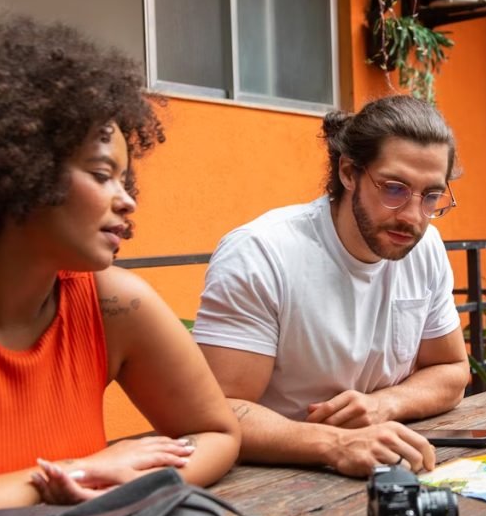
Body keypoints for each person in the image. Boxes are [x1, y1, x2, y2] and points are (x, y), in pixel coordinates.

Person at [0, 18, 241, 516]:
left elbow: (217, 433)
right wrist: (78, 472)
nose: (127, 200)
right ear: (18, 169)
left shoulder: (113, 305)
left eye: (126, 180)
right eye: (102, 175)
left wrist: (129, 480)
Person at [194, 95, 469, 477]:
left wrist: (384, 404)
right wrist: (336, 443)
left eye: (432, 196)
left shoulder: (425, 249)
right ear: (349, 173)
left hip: (386, 463)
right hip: (271, 483)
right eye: (394, 188)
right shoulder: (262, 253)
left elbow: (453, 370)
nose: (412, 217)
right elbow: (217, 410)